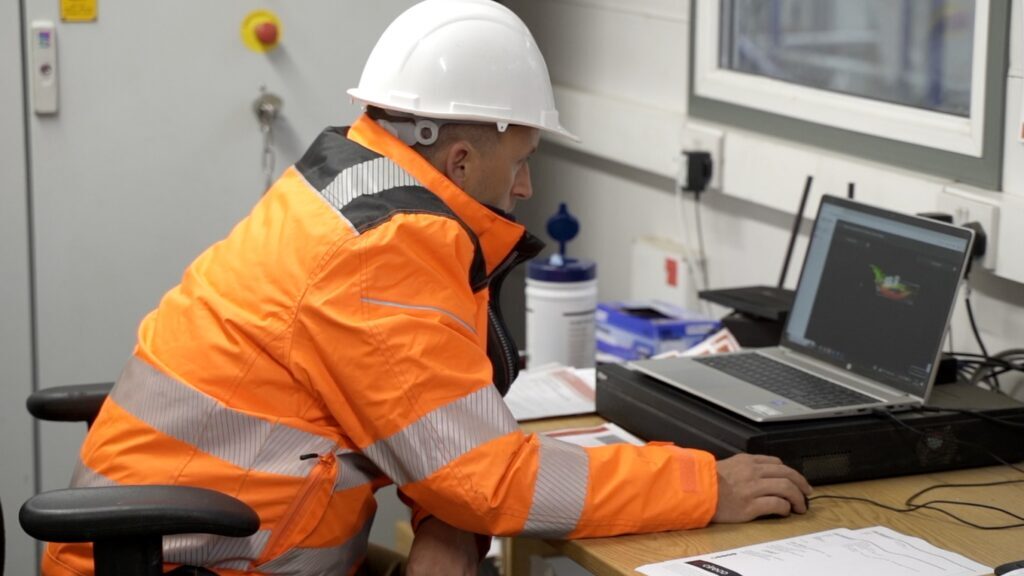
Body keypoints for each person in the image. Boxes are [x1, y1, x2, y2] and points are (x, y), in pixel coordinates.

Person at [44, 1, 811, 574]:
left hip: (217, 543)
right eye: (521, 158)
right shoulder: (389, 244)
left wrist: (450, 512)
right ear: (460, 159)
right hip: (199, 564)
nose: (526, 184)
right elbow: (486, 481)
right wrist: (705, 486)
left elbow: (405, 414)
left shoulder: (351, 183)